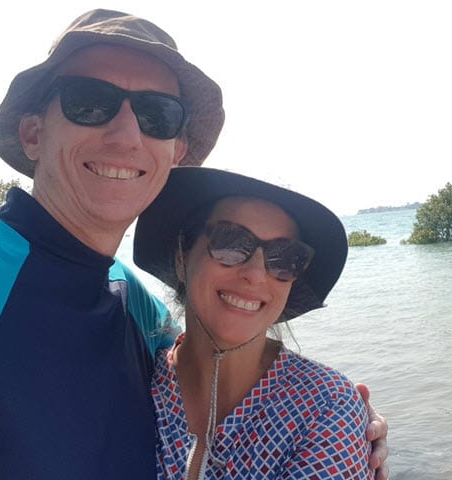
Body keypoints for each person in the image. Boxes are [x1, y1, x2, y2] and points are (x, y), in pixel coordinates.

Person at [0, 8, 388, 480]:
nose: (127, 134)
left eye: (157, 115)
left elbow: (212, 343)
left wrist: (343, 416)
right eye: (89, 102)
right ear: (33, 132)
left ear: (175, 154)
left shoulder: (135, 308)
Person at [135, 166, 373, 479]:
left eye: (284, 257)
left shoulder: (326, 407)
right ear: (182, 256)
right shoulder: (136, 387)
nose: (256, 273)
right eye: (231, 243)